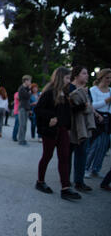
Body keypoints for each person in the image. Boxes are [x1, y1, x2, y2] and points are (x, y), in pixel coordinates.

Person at [34, 67, 81, 201]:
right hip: (50, 131)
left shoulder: (65, 94)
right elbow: (38, 109)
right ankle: (40, 181)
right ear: (61, 78)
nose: (69, 80)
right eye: (67, 78)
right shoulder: (50, 93)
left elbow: (66, 112)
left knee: (64, 157)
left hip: (62, 130)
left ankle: (65, 187)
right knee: (47, 156)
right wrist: (51, 117)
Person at [68, 66, 94, 192]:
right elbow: (69, 108)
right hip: (71, 125)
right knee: (67, 154)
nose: (87, 75)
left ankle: (79, 181)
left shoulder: (86, 91)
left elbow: (89, 106)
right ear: (76, 75)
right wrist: (83, 106)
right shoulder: (70, 88)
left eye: (87, 73)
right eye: (84, 73)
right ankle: (66, 180)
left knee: (82, 153)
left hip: (83, 126)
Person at [85, 68, 111, 178]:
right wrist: (107, 100)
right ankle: (86, 167)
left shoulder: (110, 90)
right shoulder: (94, 90)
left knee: (104, 146)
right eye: (107, 78)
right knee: (94, 144)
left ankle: (96, 168)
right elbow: (93, 105)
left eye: (110, 78)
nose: (109, 80)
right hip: (96, 117)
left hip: (107, 118)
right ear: (101, 78)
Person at [17, 75, 32, 146]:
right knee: (22, 124)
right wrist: (29, 90)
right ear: (25, 81)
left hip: (26, 108)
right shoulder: (22, 88)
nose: (30, 82)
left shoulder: (26, 88)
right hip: (22, 108)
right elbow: (27, 96)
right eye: (29, 81)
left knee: (25, 124)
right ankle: (21, 140)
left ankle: (23, 139)